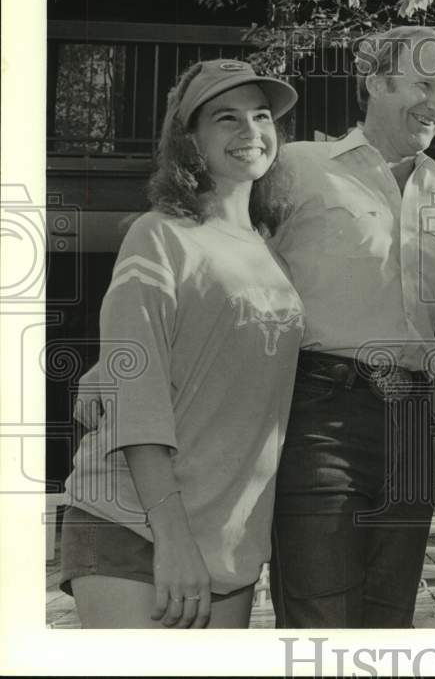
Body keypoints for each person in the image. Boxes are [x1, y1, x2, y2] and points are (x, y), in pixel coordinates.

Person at [60, 59, 304, 628]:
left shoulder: (274, 255)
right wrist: (172, 537)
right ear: (189, 139)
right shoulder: (159, 235)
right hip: (137, 523)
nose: (250, 131)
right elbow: (134, 392)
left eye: (261, 115)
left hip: (230, 543)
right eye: (226, 117)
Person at [268, 25, 435, 628]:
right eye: (424, 84)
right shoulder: (294, 168)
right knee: (319, 620)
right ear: (375, 82)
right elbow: (225, 261)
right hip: (318, 414)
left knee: (388, 621)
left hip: (411, 425)